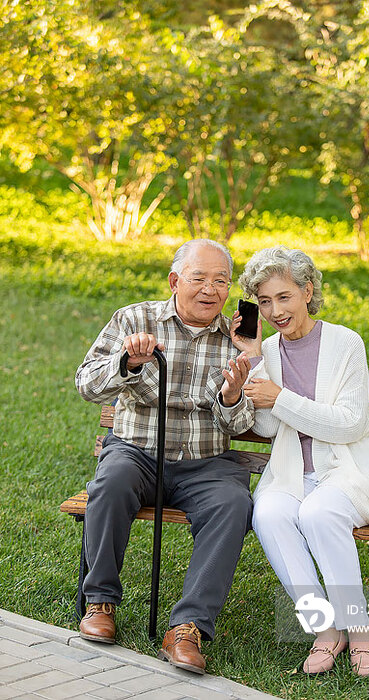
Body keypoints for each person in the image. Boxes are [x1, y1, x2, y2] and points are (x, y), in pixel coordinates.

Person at [75, 239, 255, 675]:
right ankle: (99, 601)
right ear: (176, 280)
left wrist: (232, 395)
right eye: (199, 278)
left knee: (234, 504)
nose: (210, 290)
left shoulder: (239, 337)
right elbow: (87, 384)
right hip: (137, 452)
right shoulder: (135, 318)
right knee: (111, 482)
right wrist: (128, 363)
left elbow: (243, 421)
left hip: (206, 463)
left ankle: (188, 626)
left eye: (221, 281)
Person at [231, 246, 369, 677]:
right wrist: (253, 363)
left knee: (320, 514)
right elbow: (269, 427)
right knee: (267, 514)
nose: (274, 311)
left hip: (346, 474)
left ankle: (359, 629)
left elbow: (348, 424)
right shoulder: (266, 350)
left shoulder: (345, 343)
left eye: (284, 297)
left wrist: (281, 397)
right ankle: (325, 628)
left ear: (308, 291)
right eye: (264, 301)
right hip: (290, 475)